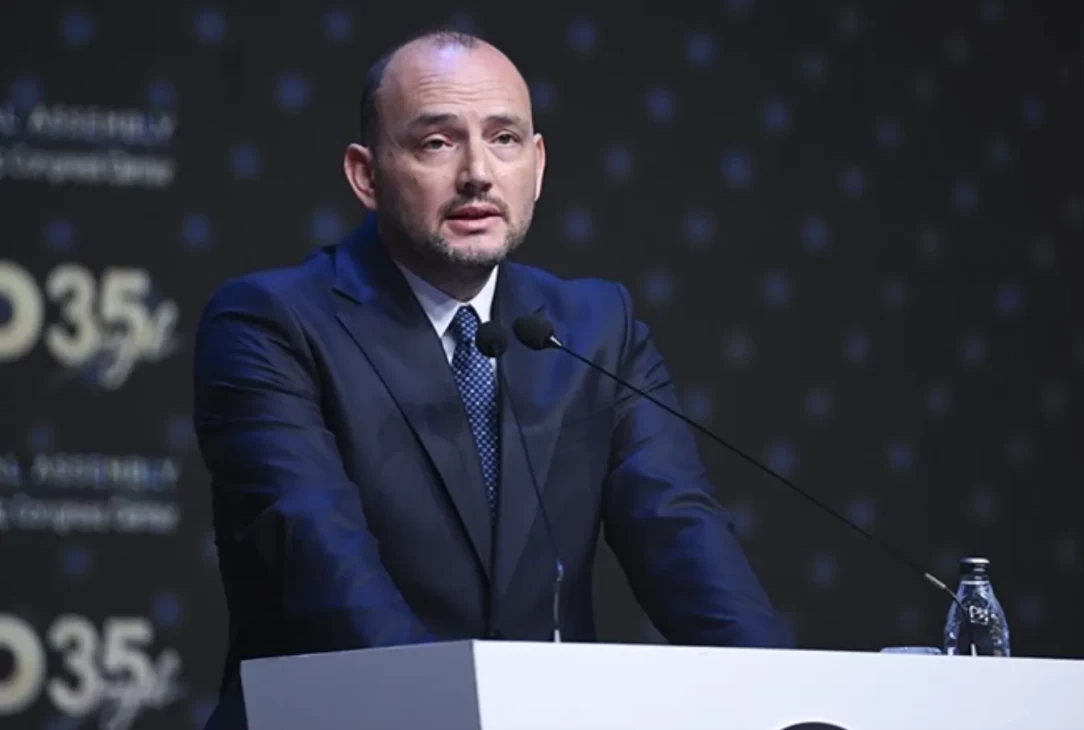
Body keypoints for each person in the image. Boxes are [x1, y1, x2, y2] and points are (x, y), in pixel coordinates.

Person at [193, 28, 792, 729]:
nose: (477, 172)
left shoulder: (595, 326)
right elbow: (322, 566)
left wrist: (791, 702)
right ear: (366, 174)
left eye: (504, 139)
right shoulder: (272, 324)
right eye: (437, 142)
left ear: (536, 166)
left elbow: (682, 538)